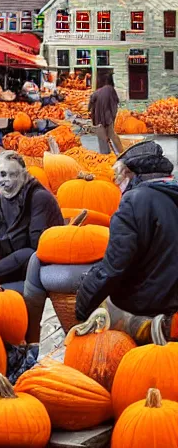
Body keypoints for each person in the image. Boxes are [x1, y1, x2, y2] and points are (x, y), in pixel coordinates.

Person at [76, 141, 178, 343]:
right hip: (173, 294)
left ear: (130, 174)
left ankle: (146, 328)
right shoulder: (172, 193)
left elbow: (114, 267)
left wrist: (82, 304)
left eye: (120, 177)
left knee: (102, 305)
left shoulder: (133, 201)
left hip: (151, 301)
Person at [0, 151, 64, 292]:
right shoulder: (0, 200)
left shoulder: (39, 198)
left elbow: (36, 250)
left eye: (13, 175)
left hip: (37, 270)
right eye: (3, 175)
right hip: (9, 266)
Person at [89, 74, 123, 155]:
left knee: (102, 136)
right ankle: (121, 152)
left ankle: (106, 154)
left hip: (99, 117)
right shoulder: (111, 90)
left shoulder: (99, 91)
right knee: (111, 134)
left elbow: (91, 101)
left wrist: (90, 110)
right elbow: (116, 102)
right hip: (108, 117)